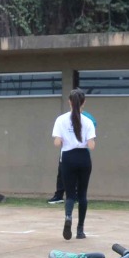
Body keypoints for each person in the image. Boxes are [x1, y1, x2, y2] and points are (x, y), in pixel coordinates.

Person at [52, 88, 95, 240]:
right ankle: (80, 230)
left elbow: (57, 142)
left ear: (69, 102)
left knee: (70, 194)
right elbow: (91, 145)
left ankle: (68, 216)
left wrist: (64, 139)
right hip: (83, 157)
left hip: (68, 158)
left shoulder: (60, 119)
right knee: (82, 195)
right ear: (83, 102)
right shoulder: (88, 121)